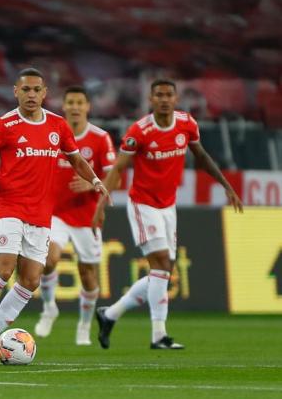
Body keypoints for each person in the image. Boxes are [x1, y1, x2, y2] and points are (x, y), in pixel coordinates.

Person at [0, 69, 110, 361]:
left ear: (45, 93)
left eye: (37, 90)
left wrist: (96, 180)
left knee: (32, 279)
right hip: (10, 207)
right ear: (16, 92)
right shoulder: (5, 124)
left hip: (41, 214)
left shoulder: (58, 126)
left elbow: (76, 159)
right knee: (4, 268)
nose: (32, 95)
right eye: (26, 90)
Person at [93, 79, 243, 350]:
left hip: (168, 206)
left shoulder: (186, 123)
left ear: (176, 99)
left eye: (168, 95)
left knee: (163, 271)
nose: (163, 99)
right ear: (151, 100)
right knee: (161, 263)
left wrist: (226, 185)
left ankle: (110, 313)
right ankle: (158, 335)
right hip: (143, 205)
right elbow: (118, 169)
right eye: (158, 95)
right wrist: (102, 202)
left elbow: (202, 156)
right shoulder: (139, 131)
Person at [34, 86, 116, 345]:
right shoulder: (52, 133)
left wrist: (93, 184)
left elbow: (114, 176)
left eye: (80, 102)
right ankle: (49, 308)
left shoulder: (100, 138)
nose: (76, 107)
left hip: (86, 216)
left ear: (88, 107)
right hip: (54, 212)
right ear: (64, 105)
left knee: (88, 275)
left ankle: (83, 326)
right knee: (48, 260)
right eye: (71, 102)